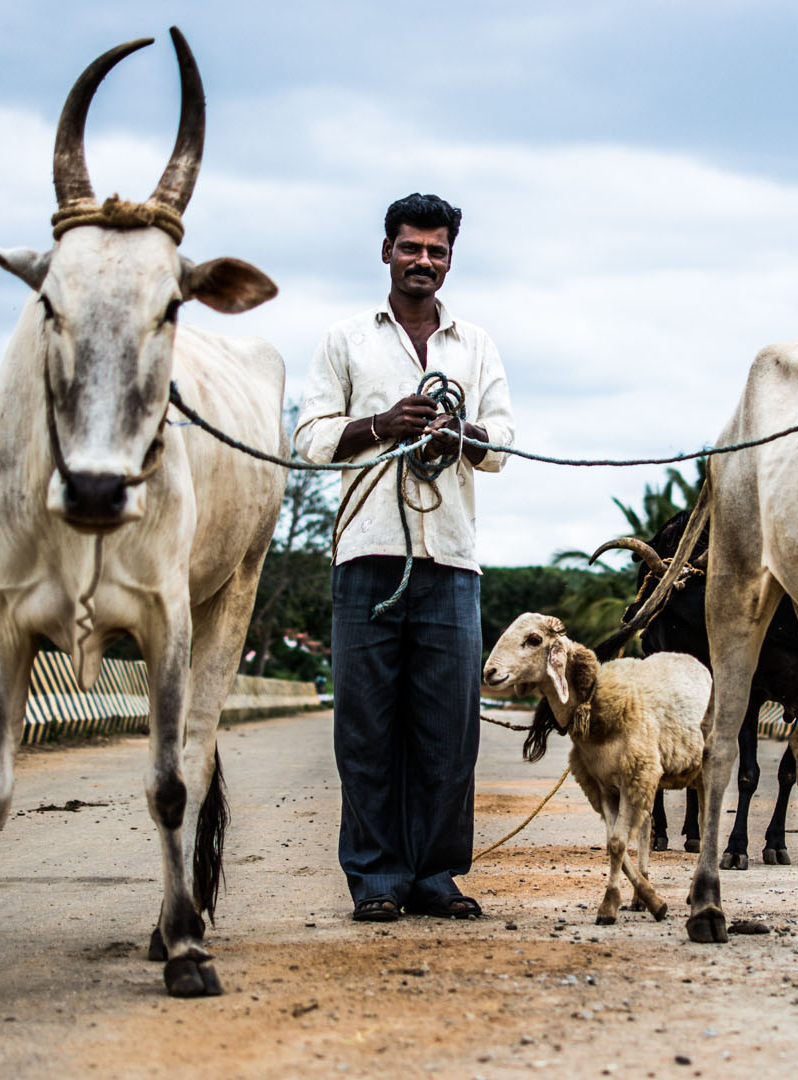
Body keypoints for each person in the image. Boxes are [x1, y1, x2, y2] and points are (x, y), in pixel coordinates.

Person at [294, 193, 514, 921]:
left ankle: (435, 877)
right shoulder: (345, 339)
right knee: (366, 728)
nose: (424, 261)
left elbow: (503, 446)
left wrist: (463, 436)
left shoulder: (475, 345)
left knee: (449, 731)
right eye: (411, 247)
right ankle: (378, 879)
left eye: (437, 250)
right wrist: (383, 424)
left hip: (451, 561)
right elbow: (310, 439)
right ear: (385, 250)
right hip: (367, 556)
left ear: (451, 258)